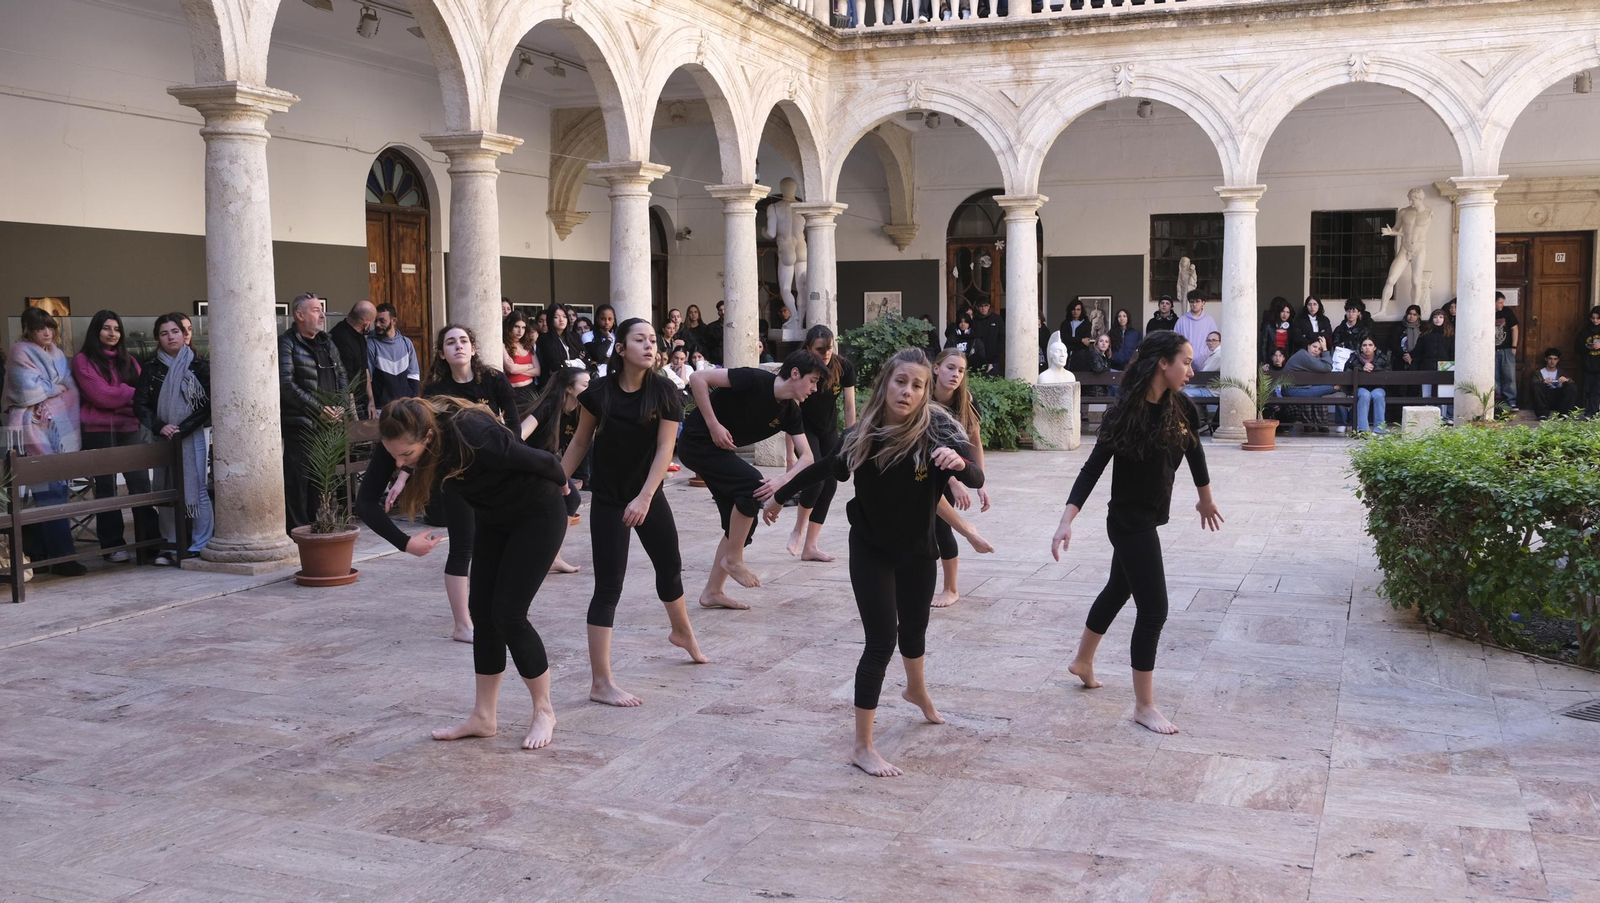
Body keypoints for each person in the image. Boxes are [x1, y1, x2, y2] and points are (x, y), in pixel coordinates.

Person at [764, 348, 985, 777]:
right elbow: (825, 469)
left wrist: (960, 464)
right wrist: (777, 494)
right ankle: (862, 746)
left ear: (925, 392)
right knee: (882, 641)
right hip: (870, 550)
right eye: (901, 381)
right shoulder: (862, 435)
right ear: (886, 383)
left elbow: (974, 476)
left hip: (918, 551)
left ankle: (916, 691)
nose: (907, 391)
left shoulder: (937, 431)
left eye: (917, 385)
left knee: (915, 633)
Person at [356, 396, 569, 750]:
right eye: (394, 455)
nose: (399, 463)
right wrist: (404, 543)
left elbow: (544, 460)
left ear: (426, 436)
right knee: (483, 615)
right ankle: (484, 717)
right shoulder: (397, 436)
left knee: (509, 615)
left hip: (538, 514)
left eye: (406, 455)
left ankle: (544, 710)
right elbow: (366, 502)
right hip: (494, 518)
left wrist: (566, 490)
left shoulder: (471, 431)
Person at [1052, 330, 1221, 735]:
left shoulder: (1181, 408)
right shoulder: (1123, 413)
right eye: (1185, 361)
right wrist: (1066, 519)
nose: (1191, 369)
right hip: (1129, 522)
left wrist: (1205, 498)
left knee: (1117, 588)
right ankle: (1144, 706)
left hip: (1148, 517)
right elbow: (1092, 469)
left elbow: (1194, 451)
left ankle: (1083, 661)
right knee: (1154, 609)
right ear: (1163, 363)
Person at [558, 318, 708, 707]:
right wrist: (555, 479)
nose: (648, 345)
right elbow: (579, 442)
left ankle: (682, 632)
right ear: (621, 349)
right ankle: (601, 683)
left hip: (647, 496)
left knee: (670, 566)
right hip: (608, 500)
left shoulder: (665, 392)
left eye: (653, 340)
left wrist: (644, 498)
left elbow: (664, 450)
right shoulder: (599, 393)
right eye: (639, 339)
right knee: (608, 587)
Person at [679, 351, 822, 610]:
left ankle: (712, 592)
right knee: (752, 485)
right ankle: (733, 559)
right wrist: (713, 425)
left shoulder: (790, 412)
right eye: (812, 381)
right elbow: (699, 378)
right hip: (697, 442)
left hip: (719, 453)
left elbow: (808, 458)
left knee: (740, 526)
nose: (814, 389)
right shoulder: (754, 380)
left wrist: (781, 482)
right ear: (795, 373)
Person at [414, 324, 521, 642]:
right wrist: (407, 475)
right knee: (463, 546)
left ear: (473, 348)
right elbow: (425, 435)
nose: (458, 346)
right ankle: (462, 625)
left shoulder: (493, 379)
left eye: (463, 341)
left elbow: (513, 420)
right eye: (450, 342)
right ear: (442, 353)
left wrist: (514, 456)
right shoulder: (434, 391)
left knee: (497, 542)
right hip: (455, 475)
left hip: (493, 472)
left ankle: (492, 612)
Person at [71, 309, 159, 562]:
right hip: (99, 432)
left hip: (130, 429)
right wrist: (127, 393)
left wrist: (120, 394)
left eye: (116, 329)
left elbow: (144, 393)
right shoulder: (83, 360)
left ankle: (148, 545)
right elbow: (100, 396)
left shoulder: (129, 360)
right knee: (107, 488)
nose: (112, 333)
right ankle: (112, 546)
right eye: (106, 328)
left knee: (141, 486)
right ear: (96, 331)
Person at [3, 307, 85, 576]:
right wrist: (55, 389)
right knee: (44, 489)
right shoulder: (19, 351)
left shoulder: (59, 354)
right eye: (40, 328)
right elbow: (26, 389)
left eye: (50, 327)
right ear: (28, 330)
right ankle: (60, 556)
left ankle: (47, 553)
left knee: (53, 489)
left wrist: (52, 397)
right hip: (29, 428)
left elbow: (71, 390)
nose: (47, 332)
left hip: (55, 427)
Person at [134, 313, 213, 561]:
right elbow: (140, 404)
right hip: (163, 438)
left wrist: (183, 428)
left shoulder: (199, 366)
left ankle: (201, 543)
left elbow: (207, 404)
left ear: (184, 334)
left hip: (192, 437)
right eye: (164, 333)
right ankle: (171, 545)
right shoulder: (150, 367)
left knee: (197, 488)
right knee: (166, 489)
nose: (170, 337)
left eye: (175, 331)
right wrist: (160, 426)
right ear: (158, 338)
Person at [784, 326, 858, 563]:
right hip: (803, 429)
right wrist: (789, 457)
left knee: (831, 484)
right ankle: (798, 528)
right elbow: (789, 411)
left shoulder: (843, 367)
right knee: (815, 480)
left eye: (829, 347)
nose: (826, 353)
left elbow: (849, 405)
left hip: (828, 429)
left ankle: (811, 546)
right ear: (808, 347)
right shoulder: (801, 368)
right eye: (820, 349)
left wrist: (851, 440)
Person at [928, 349, 995, 608]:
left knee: (942, 528)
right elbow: (927, 447)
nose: (955, 374)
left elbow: (975, 441)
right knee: (930, 527)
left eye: (960, 370)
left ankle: (951, 589)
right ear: (936, 368)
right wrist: (954, 484)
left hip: (953, 463)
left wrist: (981, 483)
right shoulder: (922, 397)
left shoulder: (965, 399)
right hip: (929, 464)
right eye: (950, 367)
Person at [279, 292, 348, 531]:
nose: (322, 315)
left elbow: (341, 375)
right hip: (302, 424)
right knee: (299, 480)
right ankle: (298, 530)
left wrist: (341, 406)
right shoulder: (287, 343)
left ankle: (321, 526)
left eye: (321, 309)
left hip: (330, 423)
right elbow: (286, 384)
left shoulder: (326, 341)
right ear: (299, 315)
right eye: (316, 310)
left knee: (323, 479)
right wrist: (319, 409)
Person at [522, 363, 590, 571]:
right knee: (565, 501)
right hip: (529, 464)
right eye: (586, 385)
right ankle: (546, 554)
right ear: (570, 388)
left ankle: (552, 554)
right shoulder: (551, 404)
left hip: (548, 466)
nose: (590, 389)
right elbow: (522, 433)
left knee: (570, 499)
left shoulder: (577, 412)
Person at [366, 303, 421, 412]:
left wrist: (413, 403)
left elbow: (414, 375)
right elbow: (368, 377)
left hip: (405, 407)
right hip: (380, 408)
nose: (377, 324)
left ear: (394, 321)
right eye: (375, 320)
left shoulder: (407, 343)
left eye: (382, 321)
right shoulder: (371, 344)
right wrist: (371, 402)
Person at [1285, 335, 1341, 431]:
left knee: (1318, 393)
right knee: (1325, 389)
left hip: (1301, 387)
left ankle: (1314, 424)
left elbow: (1325, 367)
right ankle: (1317, 424)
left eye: (1319, 349)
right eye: (1314, 347)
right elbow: (1327, 368)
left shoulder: (1311, 358)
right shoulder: (1303, 355)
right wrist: (1325, 349)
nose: (1316, 350)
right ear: (1308, 346)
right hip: (1291, 390)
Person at [330, 300, 376, 414]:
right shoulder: (339, 337)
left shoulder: (360, 336)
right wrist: (353, 412)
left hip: (362, 401)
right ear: (366, 323)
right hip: (348, 405)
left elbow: (365, 370)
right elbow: (345, 380)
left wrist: (371, 401)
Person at [1344, 336, 1390, 434]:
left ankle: (1380, 429)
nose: (1367, 347)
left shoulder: (1382, 357)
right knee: (1365, 395)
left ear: (1374, 347)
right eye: (1364, 345)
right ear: (1361, 348)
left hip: (1377, 387)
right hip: (1360, 387)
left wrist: (1373, 368)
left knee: (1379, 395)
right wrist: (1361, 369)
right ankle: (1363, 429)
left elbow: (1388, 372)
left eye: (1370, 345)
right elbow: (1347, 371)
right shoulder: (1354, 357)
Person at [536, 304, 585, 387]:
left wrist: (569, 362)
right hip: (554, 384)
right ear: (550, 319)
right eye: (556, 317)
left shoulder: (574, 336)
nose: (561, 320)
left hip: (575, 381)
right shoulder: (544, 339)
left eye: (564, 316)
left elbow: (585, 357)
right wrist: (576, 361)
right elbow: (554, 364)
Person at [1415, 308, 1455, 409]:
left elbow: (1453, 352)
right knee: (1426, 393)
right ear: (1432, 319)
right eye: (1435, 317)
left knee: (1444, 394)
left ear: (1444, 319)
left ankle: (1444, 416)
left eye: (1441, 317)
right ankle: (1427, 413)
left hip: (1445, 367)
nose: (1438, 319)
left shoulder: (1450, 335)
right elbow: (1418, 352)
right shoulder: (1425, 335)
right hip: (1427, 366)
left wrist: (1451, 366)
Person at [502, 311, 539, 411]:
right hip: (513, 392)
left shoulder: (527, 345)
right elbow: (511, 369)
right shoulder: (503, 345)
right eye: (516, 326)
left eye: (523, 327)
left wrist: (517, 368)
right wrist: (530, 365)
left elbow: (538, 371)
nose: (520, 331)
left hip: (531, 390)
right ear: (509, 326)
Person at [1174, 291, 1221, 370]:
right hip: (1186, 362)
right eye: (1192, 302)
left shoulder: (1209, 320)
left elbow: (1215, 342)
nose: (1194, 304)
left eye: (1197, 301)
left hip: (1206, 362)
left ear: (1203, 303)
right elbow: (1175, 341)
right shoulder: (1182, 320)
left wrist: (1206, 355)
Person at [1529, 348, 1577, 420]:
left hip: (1559, 400)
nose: (1552, 361)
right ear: (1546, 359)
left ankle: (1564, 413)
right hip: (1545, 400)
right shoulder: (1539, 372)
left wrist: (1566, 380)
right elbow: (1533, 384)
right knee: (1537, 386)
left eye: (1555, 359)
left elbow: (1572, 383)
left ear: (1558, 360)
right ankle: (1542, 414)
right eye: (1550, 359)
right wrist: (1543, 382)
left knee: (1572, 387)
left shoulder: (1561, 372)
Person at [1494, 292, 1519, 412]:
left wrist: (1514, 346)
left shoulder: (1507, 312)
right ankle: (1498, 404)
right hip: (1491, 350)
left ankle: (1511, 402)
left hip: (1506, 349)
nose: (1502, 305)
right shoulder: (1486, 311)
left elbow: (1514, 328)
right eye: (1500, 302)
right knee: (1494, 378)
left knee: (1509, 376)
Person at [1058, 299, 1095, 371]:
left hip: (1081, 356)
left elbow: (1085, 342)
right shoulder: (1065, 323)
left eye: (1078, 309)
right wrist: (1080, 340)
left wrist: (1073, 341)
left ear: (1081, 311)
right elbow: (1065, 339)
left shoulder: (1087, 324)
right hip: (1066, 355)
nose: (1075, 312)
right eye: (1073, 309)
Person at [970, 298, 1005, 374]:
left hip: (994, 356)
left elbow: (1002, 336)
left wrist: (999, 351)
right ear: (977, 307)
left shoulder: (997, 318)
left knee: (993, 378)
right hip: (978, 356)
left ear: (989, 306)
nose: (983, 308)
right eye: (981, 306)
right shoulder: (974, 320)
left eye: (985, 306)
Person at [584, 304, 617, 377]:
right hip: (596, 375)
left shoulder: (618, 336)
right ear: (597, 319)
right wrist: (608, 339)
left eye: (610, 319)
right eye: (603, 319)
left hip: (616, 374)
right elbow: (598, 356)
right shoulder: (588, 336)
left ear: (614, 320)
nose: (607, 322)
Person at [1259, 298, 1294, 365]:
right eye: (1282, 311)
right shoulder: (1269, 326)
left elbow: (1292, 347)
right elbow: (1263, 346)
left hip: (1286, 361)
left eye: (1288, 312)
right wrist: (1264, 362)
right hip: (1271, 360)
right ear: (1278, 312)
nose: (1285, 315)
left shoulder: (1291, 327)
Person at [1392, 304, 1424, 372]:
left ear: (1418, 316)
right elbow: (1394, 344)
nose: (1411, 316)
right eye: (1410, 314)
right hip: (1400, 358)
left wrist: (1412, 357)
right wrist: (1405, 355)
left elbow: (1423, 345)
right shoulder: (1398, 327)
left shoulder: (1422, 328)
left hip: (1417, 359)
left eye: (1414, 314)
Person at [1584, 331, 1600, 417]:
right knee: (1588, 390)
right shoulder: (1585, 331)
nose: (1595, 320)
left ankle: (1593, 413)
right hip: (1588, 367)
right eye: (1593, 318)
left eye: (1598, 318)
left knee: (1597, 391)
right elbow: (1578, 346)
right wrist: (1588, 346)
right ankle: (1588, 412)